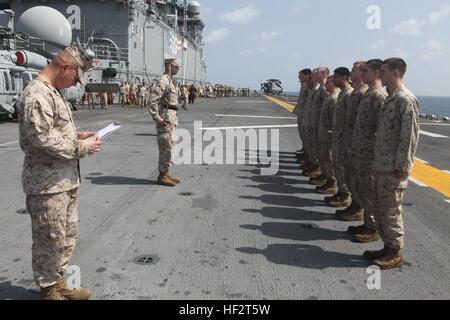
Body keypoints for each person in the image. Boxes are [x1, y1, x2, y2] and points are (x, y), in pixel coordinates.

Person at [17, 44, 101, 300]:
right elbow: (42, 139)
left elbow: (54, 133)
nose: (76, 82)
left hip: (63, 181)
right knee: (49, 239)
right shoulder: (37, 95)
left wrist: (77, 136)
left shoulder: (53, 92)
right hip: (47, 186)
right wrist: (82, 146)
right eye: (75, 76)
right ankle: (48, 290)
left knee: (64, 238)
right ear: (65, 67)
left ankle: (57, 281)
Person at [364, 58, 419, 269]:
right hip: (381, 165)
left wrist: (403, 167)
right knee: (379, 209)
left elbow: (409, 136)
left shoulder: (406, 99)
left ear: (395, 72)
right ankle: (387, 247)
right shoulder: (391, 98)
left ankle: (395, 252)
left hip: (393, 169)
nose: (381, 75)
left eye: (384, 71)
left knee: (391, 211)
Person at [347, 59, 388, 242]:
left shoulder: (378, 95)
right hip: (359, 150)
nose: (362, 73)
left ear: (377, 72)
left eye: (366, 70)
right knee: (361, 188)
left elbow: (381, 128)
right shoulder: (368, 93)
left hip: (369, 153)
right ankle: (367, 222)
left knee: (369, 191)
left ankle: (373, 228)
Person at [335, 61, 369, 218]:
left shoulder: (365, 94)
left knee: (362, 183)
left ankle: (359, 210)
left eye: (354, 70)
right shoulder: (355, 93)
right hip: (350, 142)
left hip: (362, 147)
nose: (351, 72)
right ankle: (354, 206)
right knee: (352, 178)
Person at [149, 58, 182, 187]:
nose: (178, 69)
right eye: (176, 66)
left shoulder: (170, 81)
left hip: (172, 117)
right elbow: (153, 100)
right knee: (166, 146)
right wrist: (157, 117)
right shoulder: (163, 81)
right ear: (169, 66)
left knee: (171, 146)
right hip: (166, 118)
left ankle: (166, 172)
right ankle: (162, 176)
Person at [326, 67, 354, 207]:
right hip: (338, 138)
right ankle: (341, 192)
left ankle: (344, 195)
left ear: (343, 77)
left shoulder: (348, 94)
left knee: (343, 168)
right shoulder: (344, 93)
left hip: (345, 140)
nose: (333, 79)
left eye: (335, 77)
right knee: (338, 166)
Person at [304, 67, 330, 180]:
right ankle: (317, 166)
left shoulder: (324, 89)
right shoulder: (318, 89)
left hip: (319, 125)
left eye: (315, 74)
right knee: (316, 148)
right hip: (314, 123)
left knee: (323, 152)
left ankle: (322, 171)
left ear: (323, 75)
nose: (312, 77)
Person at [315, 75, 339, 194]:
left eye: (328, 83)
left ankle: (332, 182)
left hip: (329, 136)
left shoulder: (334, 99)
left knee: (329, 160)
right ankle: (327, 179)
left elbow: (334, 120)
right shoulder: (329, 98)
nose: (325, 85)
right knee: (325, 158)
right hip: (324, 134)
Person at [293, 69, 311, 156]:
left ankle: (307, 152)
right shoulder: (303, 85)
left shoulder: (308, 86)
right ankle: (304, 149)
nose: (299, 77)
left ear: (307, 75)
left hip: (305, 113)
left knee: (305, 134)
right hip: (301, 112)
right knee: (302, 133)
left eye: (301, 75)